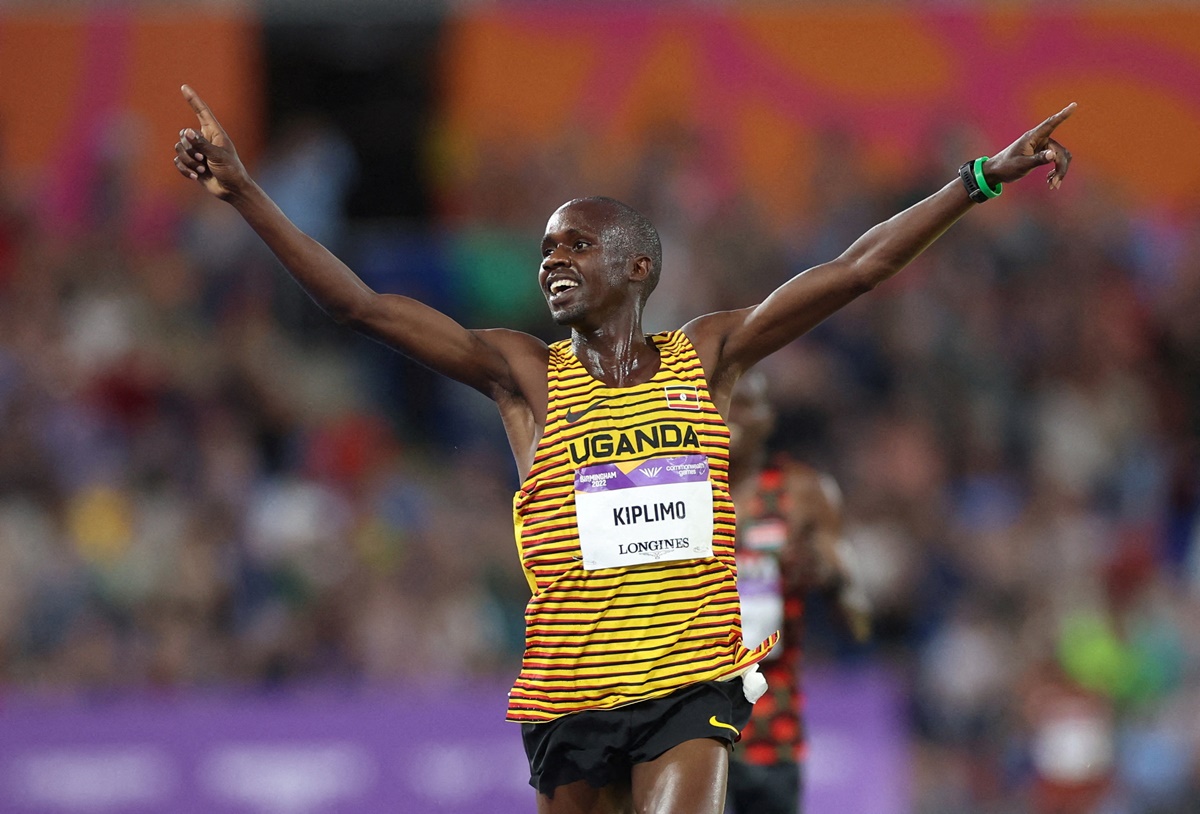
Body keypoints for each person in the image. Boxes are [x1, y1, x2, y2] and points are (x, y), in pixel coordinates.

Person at [172, 84, 1074, 814]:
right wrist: (248, 193)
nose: (551, 259)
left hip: (691, 684)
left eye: (576, 243)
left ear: (637, 266)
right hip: (569, 691)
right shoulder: (522, 374)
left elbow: (859, 265)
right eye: (544, 248)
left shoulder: (709, 353)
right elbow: (360, 307)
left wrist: (982, 179)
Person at [724, 372, 870, 814]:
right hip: (686, 731)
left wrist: (827, 575)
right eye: (719, 404)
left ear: (769, 418)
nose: (730, 416)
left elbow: (859, 622)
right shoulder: (674, 490)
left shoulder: (804, 495)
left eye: (745, 404)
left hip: (772, 732)